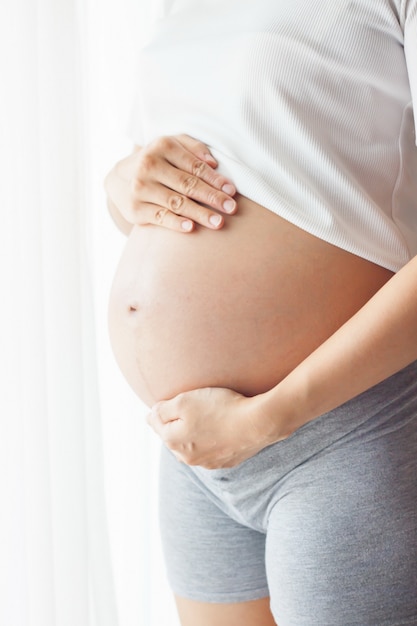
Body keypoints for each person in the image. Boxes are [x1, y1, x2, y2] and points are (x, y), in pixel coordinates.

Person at [104, 1, 417, 624]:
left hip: (342, 429)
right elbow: (173, 200)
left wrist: (269, 418)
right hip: (193, 448)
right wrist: (121, 185)